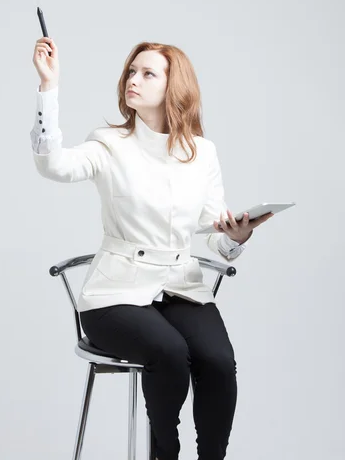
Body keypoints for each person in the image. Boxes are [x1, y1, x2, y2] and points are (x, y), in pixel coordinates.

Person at [30, 36, 274, 460]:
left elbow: (213, 231)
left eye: (147, 73)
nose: (133, 79)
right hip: (114, 294)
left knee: (218, 360)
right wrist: (48, 86)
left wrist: (235, 238)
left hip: (181, 285)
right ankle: (166, 452)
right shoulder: (108, 143)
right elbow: (53, 164)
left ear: (173, 86)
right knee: (170, 352)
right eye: (131, 70)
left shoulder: (202, 153)